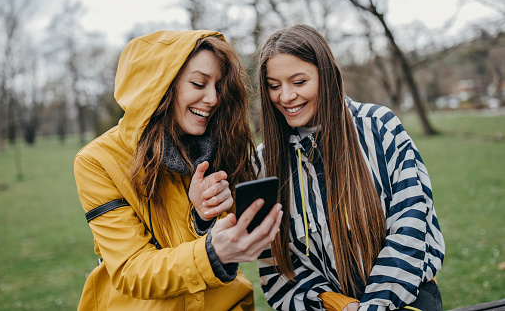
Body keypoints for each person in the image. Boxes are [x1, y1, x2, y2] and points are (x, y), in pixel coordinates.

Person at [73, 29, 282, 310]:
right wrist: (211, 252)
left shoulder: (215, 143)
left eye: (218, 86)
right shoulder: (97, 161)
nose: (213, 98)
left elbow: (226, 243)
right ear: (158, 87)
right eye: (199, 84)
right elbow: (131, 269)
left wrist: (203, 218)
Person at [254, 24, 445, 311]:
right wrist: (337, 304)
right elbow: (277, 263)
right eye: (274, 85)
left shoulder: (380, 127)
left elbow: (412, 222)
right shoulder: (266, 162)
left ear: (326, 76)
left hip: (407, 297)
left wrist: (374, 306)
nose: (286, 96)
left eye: (299, 82)